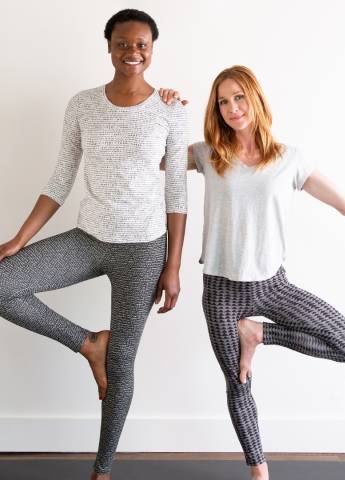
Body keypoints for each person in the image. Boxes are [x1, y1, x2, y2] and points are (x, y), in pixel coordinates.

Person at [159, 65, 345, 480]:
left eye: (239, 97)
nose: (232, 108)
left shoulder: (289, 159)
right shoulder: (208, 154)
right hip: (221, 290)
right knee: (239, 382)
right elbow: (155, 159)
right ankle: (259, 472)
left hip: (272, 287)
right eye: (223, 102)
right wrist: (162, 111)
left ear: (256, 99)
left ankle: (257, 333)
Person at [0, 9, 188, 479]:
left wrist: (173, 265)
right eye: (123, 43)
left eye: (142, 44)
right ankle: (88, 344)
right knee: (3, 283)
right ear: (108, 46)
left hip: (143, 250)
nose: (132, 52)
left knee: (122, 362)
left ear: (152, 49)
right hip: (89, 239)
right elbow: (61, 177)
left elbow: (177, 192)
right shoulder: (83, 104)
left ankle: (102, 470)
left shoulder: (170, 109)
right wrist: (20, 238)